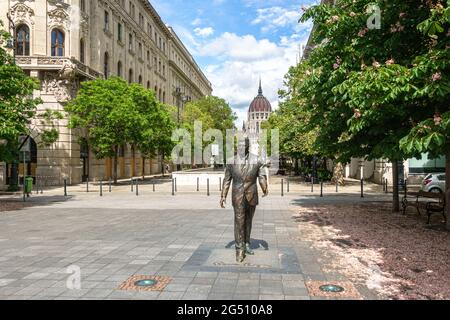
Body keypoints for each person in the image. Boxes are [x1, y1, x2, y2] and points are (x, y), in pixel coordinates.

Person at [220, 137, 268, 263]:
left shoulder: (256, 160)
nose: (240, 148)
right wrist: (223, 196)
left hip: (252, 195)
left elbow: (261, 175)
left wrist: (264, 188)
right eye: (239, 146)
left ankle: (246, 243)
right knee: (239, 221)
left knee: (248, 221)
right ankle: (239, 249)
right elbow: (227, 180)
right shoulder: (231, 161)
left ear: (248, 147)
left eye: (243, 146)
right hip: (237, 196)